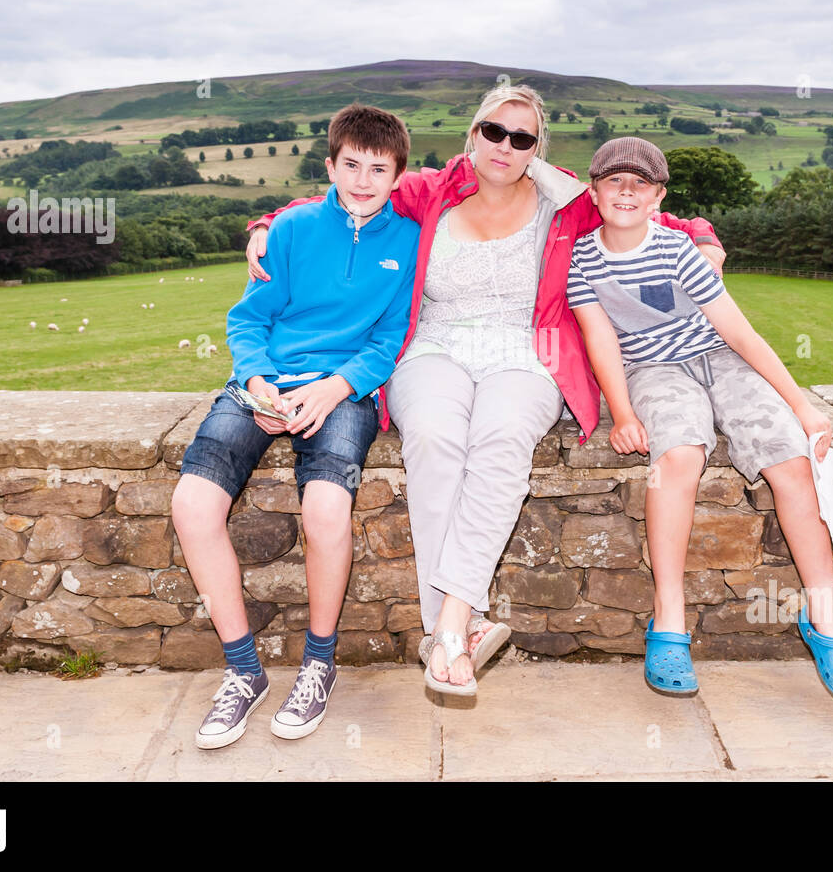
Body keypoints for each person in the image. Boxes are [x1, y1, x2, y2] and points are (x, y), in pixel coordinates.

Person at [242, 84, 726, 697]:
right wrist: (263, 226)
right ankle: (457, 634)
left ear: (536, 150)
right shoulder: (430, 190)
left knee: (501, 443)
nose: (505, 145)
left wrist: (703, 237)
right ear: (474, 134)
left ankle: (449, 624)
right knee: (435, 439)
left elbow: (643, 211)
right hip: (434, 344)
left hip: (525, 350)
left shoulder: (563, 199)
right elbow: (342, 193)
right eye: (494, 131)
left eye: (521, 138)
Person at [567, 137, 833, 701]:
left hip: (721, 360)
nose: (626, 192)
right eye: (614, 181)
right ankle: (669, 620)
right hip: (652, 370)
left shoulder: (679, 249)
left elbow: (738, 332)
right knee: (678, 456)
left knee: (790, 459)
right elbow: (601, 339)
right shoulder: (583, 259)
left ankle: (825, 617)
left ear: (658, 196)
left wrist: (801, 406)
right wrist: (625, 413)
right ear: (594, 190)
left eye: (640, 183)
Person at [172, 103, 421, 748]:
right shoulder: (291, 227)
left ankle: (318, 662)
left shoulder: (410, 240)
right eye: (351, 166)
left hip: (345, 391)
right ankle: (243, 671)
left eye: (379, 169)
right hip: (265, 384)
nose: (363, 181)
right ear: (330, 165)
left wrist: (335, 387)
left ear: (398, 173)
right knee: (192, 505)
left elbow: (389, 339)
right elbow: (249, 318)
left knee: (326, 510)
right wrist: (256, 382)